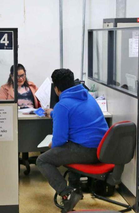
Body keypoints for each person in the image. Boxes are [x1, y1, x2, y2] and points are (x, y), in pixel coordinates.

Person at [36, 69, 109, 213]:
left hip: (86, 151)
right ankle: (75, 187)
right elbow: (73, 112)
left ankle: (67, 193)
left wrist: (52, 144)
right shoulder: (87, 96)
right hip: (103, 148)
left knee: (43, 160)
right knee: (70, 145)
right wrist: (53, 112)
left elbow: (59, 140)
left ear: (56, 89)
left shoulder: (62, 106)